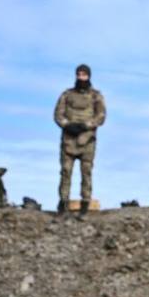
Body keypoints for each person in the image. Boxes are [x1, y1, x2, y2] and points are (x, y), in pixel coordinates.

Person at [54, 64, 106, 215]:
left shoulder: (96, 96)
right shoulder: (67, 95)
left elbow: (101, 116)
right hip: (68, 140)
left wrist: (86, 126)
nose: (81, 77)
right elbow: (58, 114)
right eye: (79, 74)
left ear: (89, 76)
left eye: (84, 74)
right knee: (65, 172)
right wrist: (67, 125)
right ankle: (63, 204)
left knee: (86, 172)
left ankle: (85, 204)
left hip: (87, 140)